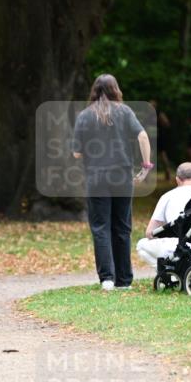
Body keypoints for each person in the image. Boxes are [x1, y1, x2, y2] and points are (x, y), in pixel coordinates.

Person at [73, 74, 151, 291]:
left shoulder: (84, 116)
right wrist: (145, 166)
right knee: (122, 227)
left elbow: (77, 154)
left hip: (96, 177)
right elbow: (143, 137)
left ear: (94, 91)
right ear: (116, 90)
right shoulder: (125, 111)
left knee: (100, 227)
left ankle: (107, 278)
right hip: (122, 176)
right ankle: (124, 281)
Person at [136, 163, 191, 269]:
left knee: (141, 245)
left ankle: (168, 270)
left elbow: (150, 233)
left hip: (175, 248)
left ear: (177, 179)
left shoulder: (167, 196)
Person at [148, 99, 173, 181]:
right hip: (151, 138)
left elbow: (167, 123)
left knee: (162, 155)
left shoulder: (159, 114)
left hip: (159, 138)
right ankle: (147, 175)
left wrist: (162, 124)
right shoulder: (148, 115)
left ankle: (168, 172)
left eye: (151, 105)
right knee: (149, 156)